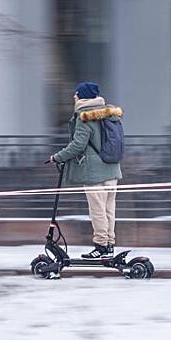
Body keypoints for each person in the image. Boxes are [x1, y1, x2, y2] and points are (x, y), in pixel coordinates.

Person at [49, 81, 123, 259]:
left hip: (94, 173)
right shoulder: (109, 114)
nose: (74, 96)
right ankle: (109, 244)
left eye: (77, 93)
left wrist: (57, 157)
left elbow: (78, 145)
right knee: (108, 210)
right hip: (112, 168)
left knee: (97, 210)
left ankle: (100, 246)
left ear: (83, 96)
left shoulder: (85, 116)